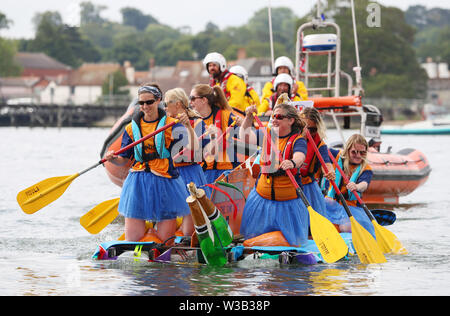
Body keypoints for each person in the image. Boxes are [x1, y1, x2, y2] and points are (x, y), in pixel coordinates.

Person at [103, 84, 193, 242]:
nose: (145, 106)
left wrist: (186, 125)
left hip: (165, 181)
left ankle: (166, 251)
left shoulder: (173, 124)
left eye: (149, 102)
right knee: (132, 239)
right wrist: (113, 158)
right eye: (141, 103)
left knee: (166, 241)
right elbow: (123, 159)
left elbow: (192, 147)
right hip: (138, 182)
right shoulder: (131, 128)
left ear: (158, 100)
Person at [239, 103, 309, 246]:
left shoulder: (298, 140)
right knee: (254, 241)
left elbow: (300, 156)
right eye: (273, 117)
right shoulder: (267, 134)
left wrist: (292, 163)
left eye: (279, 117)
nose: (275, 120)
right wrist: (248, 117)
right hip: (261, 200)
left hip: (288, 205)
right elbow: (245, 137)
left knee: (289, 243)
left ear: (291, 121)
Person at [164, 87, 209, 236]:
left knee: (191, 207)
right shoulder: (165, 123)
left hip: (189, 171)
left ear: (177, 104)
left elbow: (197, 152)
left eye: (166, 104)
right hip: (172, 171)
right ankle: (170, 235)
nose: (164, 108)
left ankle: (188, 236)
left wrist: (188, 127)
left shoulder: (197, 122)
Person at [323, 134, 376, 237]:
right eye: (354, 152)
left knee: (346, 228)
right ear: (347, 150)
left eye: (362, 152)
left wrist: (356, 186)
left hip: (352, 208)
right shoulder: (336, 156)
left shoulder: (366, 169)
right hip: (331, 204)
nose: (358, 155)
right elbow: (321, 148)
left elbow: (364, 184)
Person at [189, 83, 240, 186]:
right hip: (203, 172)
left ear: (204, 100)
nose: (190, 102)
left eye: (193, 98)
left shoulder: (226, 115)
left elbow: (244, 134)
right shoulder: (191, 120)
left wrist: (243, 122)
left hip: (226, 170)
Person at [299, 107, 335, 217]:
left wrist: (330, 172)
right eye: (305, 128)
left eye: (312, 130)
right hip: (289, 183)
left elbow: (326, 163)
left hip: (307, 185)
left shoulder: (320, 144)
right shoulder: (291, 137)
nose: (308, 132)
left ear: (317, 128)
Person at [203, 52, 247, 117]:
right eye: (209, 66)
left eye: (214, 65)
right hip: (220, 116)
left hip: (235, 117)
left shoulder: (234, 80)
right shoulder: (214, 83)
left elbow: (236, 103)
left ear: (222, 66)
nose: (211, 68)